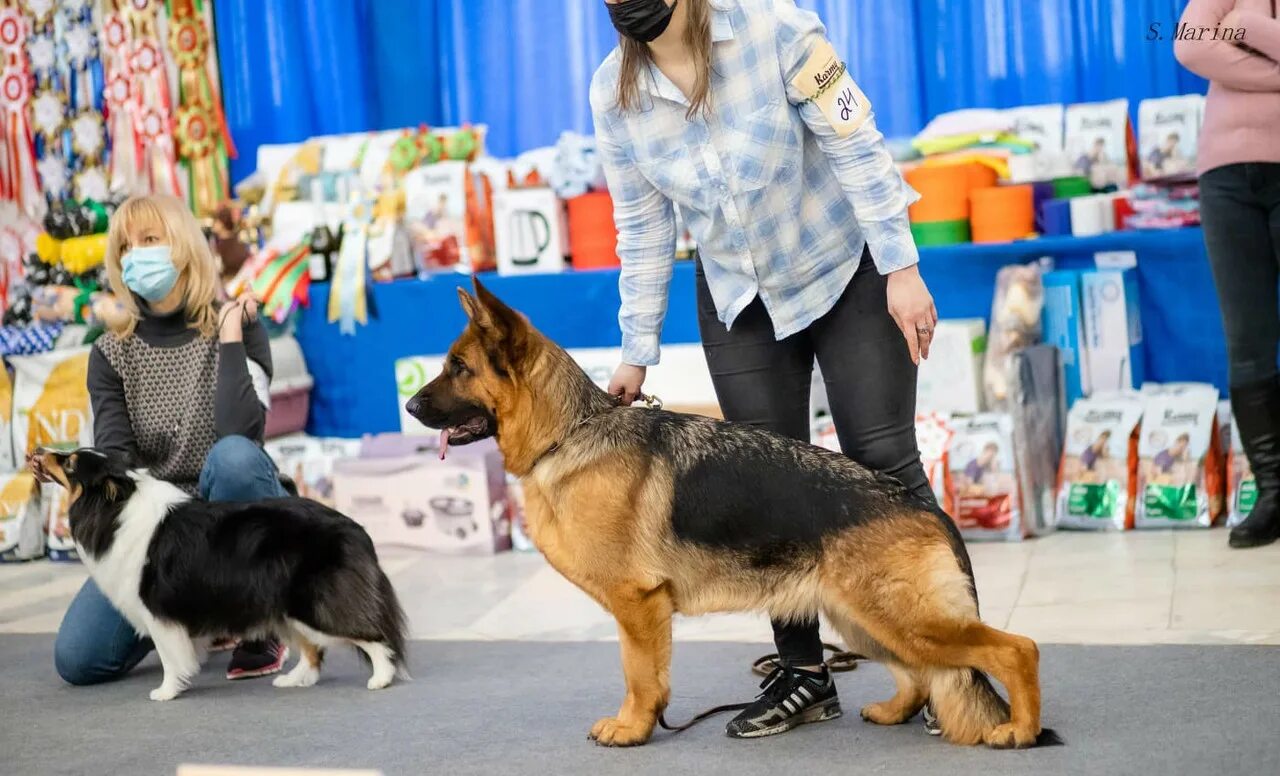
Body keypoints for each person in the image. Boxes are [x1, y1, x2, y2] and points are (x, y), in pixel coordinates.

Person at [593, 0, 939, 738]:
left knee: (885, 464)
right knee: (767, 490)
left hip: (846, 267)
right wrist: (635, 351)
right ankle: (803, 674)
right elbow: (643, 225)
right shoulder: (612, 92)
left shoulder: (780, 28)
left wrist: (901, 266)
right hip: (737, 294)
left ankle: (953, 663)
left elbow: (856, 142)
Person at [53, 194, 291, 685]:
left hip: (231, 510)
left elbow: (241, 436)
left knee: (233, 461)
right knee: (79, 659)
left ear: (182, 246)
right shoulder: (110, 352)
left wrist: (226, 335)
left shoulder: (240, 326)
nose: (135, 253)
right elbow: (117, 461)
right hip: (159, 535)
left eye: (149, 240)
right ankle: (202, 617)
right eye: (125, 246)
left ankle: (257, 620)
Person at [1175, 0, 1280, 549]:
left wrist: (1240, 29)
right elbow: (1191, 44)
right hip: (1225, 180)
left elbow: (1215, 39)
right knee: (1247, 342)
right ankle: (1273, 493)